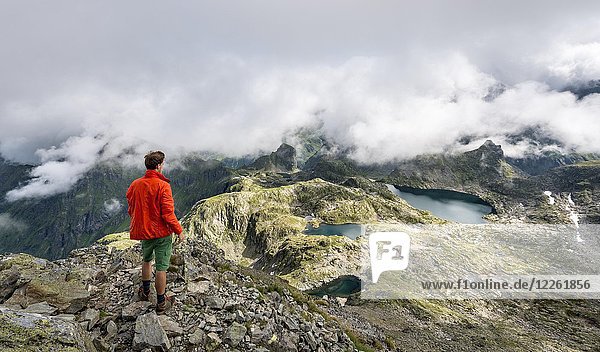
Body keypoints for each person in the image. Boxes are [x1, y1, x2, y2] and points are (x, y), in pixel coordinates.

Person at [126, 150, 185, 314]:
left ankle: (145, 292)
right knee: (161, 267)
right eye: (163, 164)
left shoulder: (135, 184)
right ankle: (161, 302)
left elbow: (131, 208)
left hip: (144, 232)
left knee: (146, 260)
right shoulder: (163, 186)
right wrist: (179, 231)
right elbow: (167, 213)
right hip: (162, 233)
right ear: (159, 165)